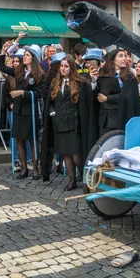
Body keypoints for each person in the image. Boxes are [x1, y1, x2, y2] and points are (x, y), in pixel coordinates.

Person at [41, 55, 94, 189]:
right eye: (62, 66)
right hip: (60, 123)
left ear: (71, 68)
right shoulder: (55, 82)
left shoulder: (80, 82)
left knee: (76, 154)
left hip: (74, 123)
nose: (63, 69)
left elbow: (86, 104)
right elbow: (50, 102)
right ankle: (72, 181)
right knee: (65, 154)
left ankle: (85, 179)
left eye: (66, 66)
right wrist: (52, 113)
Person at [0, 43, 46, 180]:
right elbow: (2, 67)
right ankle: (24, 169)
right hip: (18, 111)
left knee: (33, 141)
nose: (24, 57)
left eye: (27, 55)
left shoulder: (39, 75)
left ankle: (36, 169)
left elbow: (39, 93)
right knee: (19, 140)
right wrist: (3, 51)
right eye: (24, 55)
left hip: (30, 112)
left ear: (34, 58)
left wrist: (23, 93)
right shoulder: (19, 71)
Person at [91, 48, 140, 138]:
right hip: (105, 118)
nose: (124, 59)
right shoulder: (103, 74)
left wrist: (107, 98)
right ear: (113, 59)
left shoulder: (129, 77)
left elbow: (128, 96)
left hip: (121, 116)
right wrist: (93, 81)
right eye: (120, 56)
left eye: (125, 56)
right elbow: (95, 94)